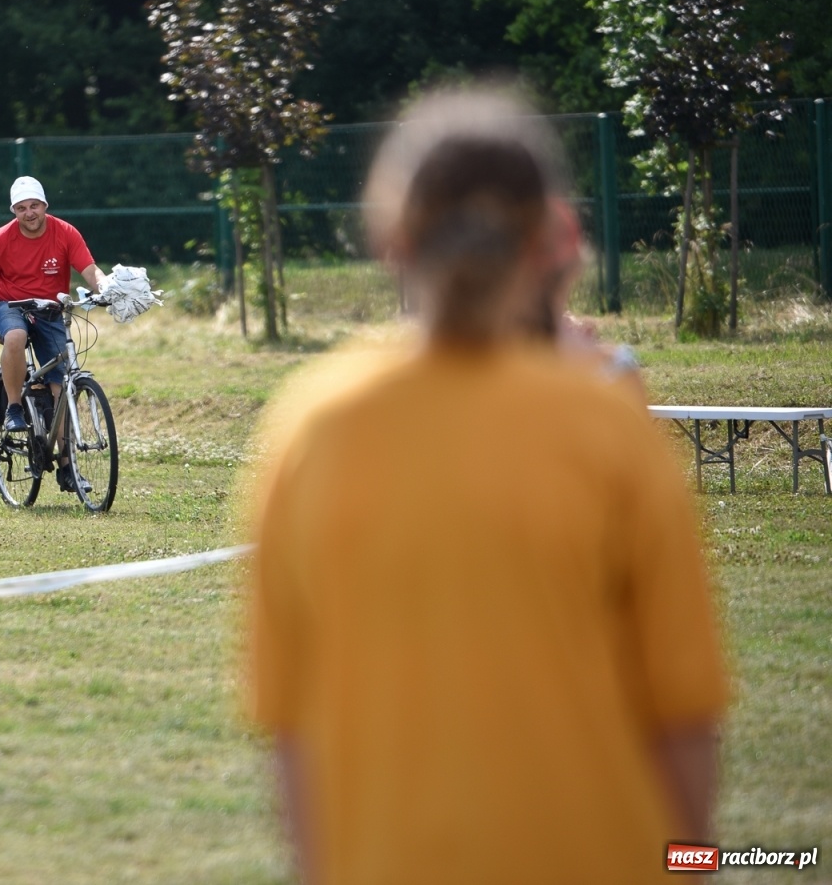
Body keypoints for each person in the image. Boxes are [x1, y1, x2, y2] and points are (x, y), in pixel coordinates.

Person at [245, 90, 727, 885]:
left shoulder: (309, 428)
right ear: (548, 244)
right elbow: (683, 715)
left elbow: (288, 730)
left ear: (390, 237)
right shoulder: (610, 427)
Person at [0, 175, 104, 492]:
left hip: (50, 308)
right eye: (21, 208)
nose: (29, 213)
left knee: (63, 384)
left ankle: (67, 466)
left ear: (45, 205)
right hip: (10, 304)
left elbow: (90, 269)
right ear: (14, 211)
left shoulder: (65, 233)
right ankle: (14, 407)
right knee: (15, 338)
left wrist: (105, 288)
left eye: (34, 206)